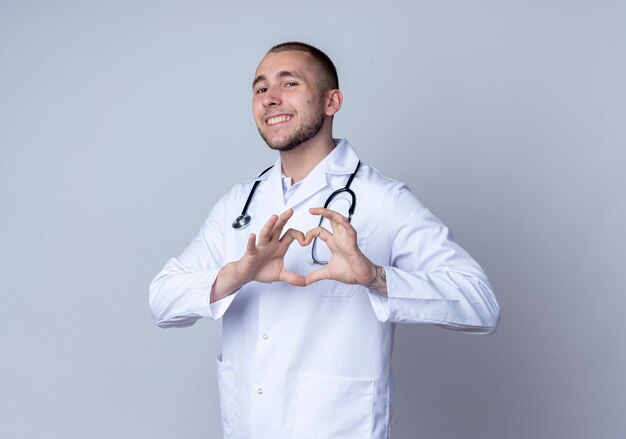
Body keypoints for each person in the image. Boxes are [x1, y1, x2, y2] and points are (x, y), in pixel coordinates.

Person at [149, 41, 500, 439]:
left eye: (289, 83)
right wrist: (237, 273)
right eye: (260, 89)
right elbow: (161, 302)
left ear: (332, 101)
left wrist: (375, 278)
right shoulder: (239, 204)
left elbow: (482, 306)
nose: (270, 99)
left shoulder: (382, 200)